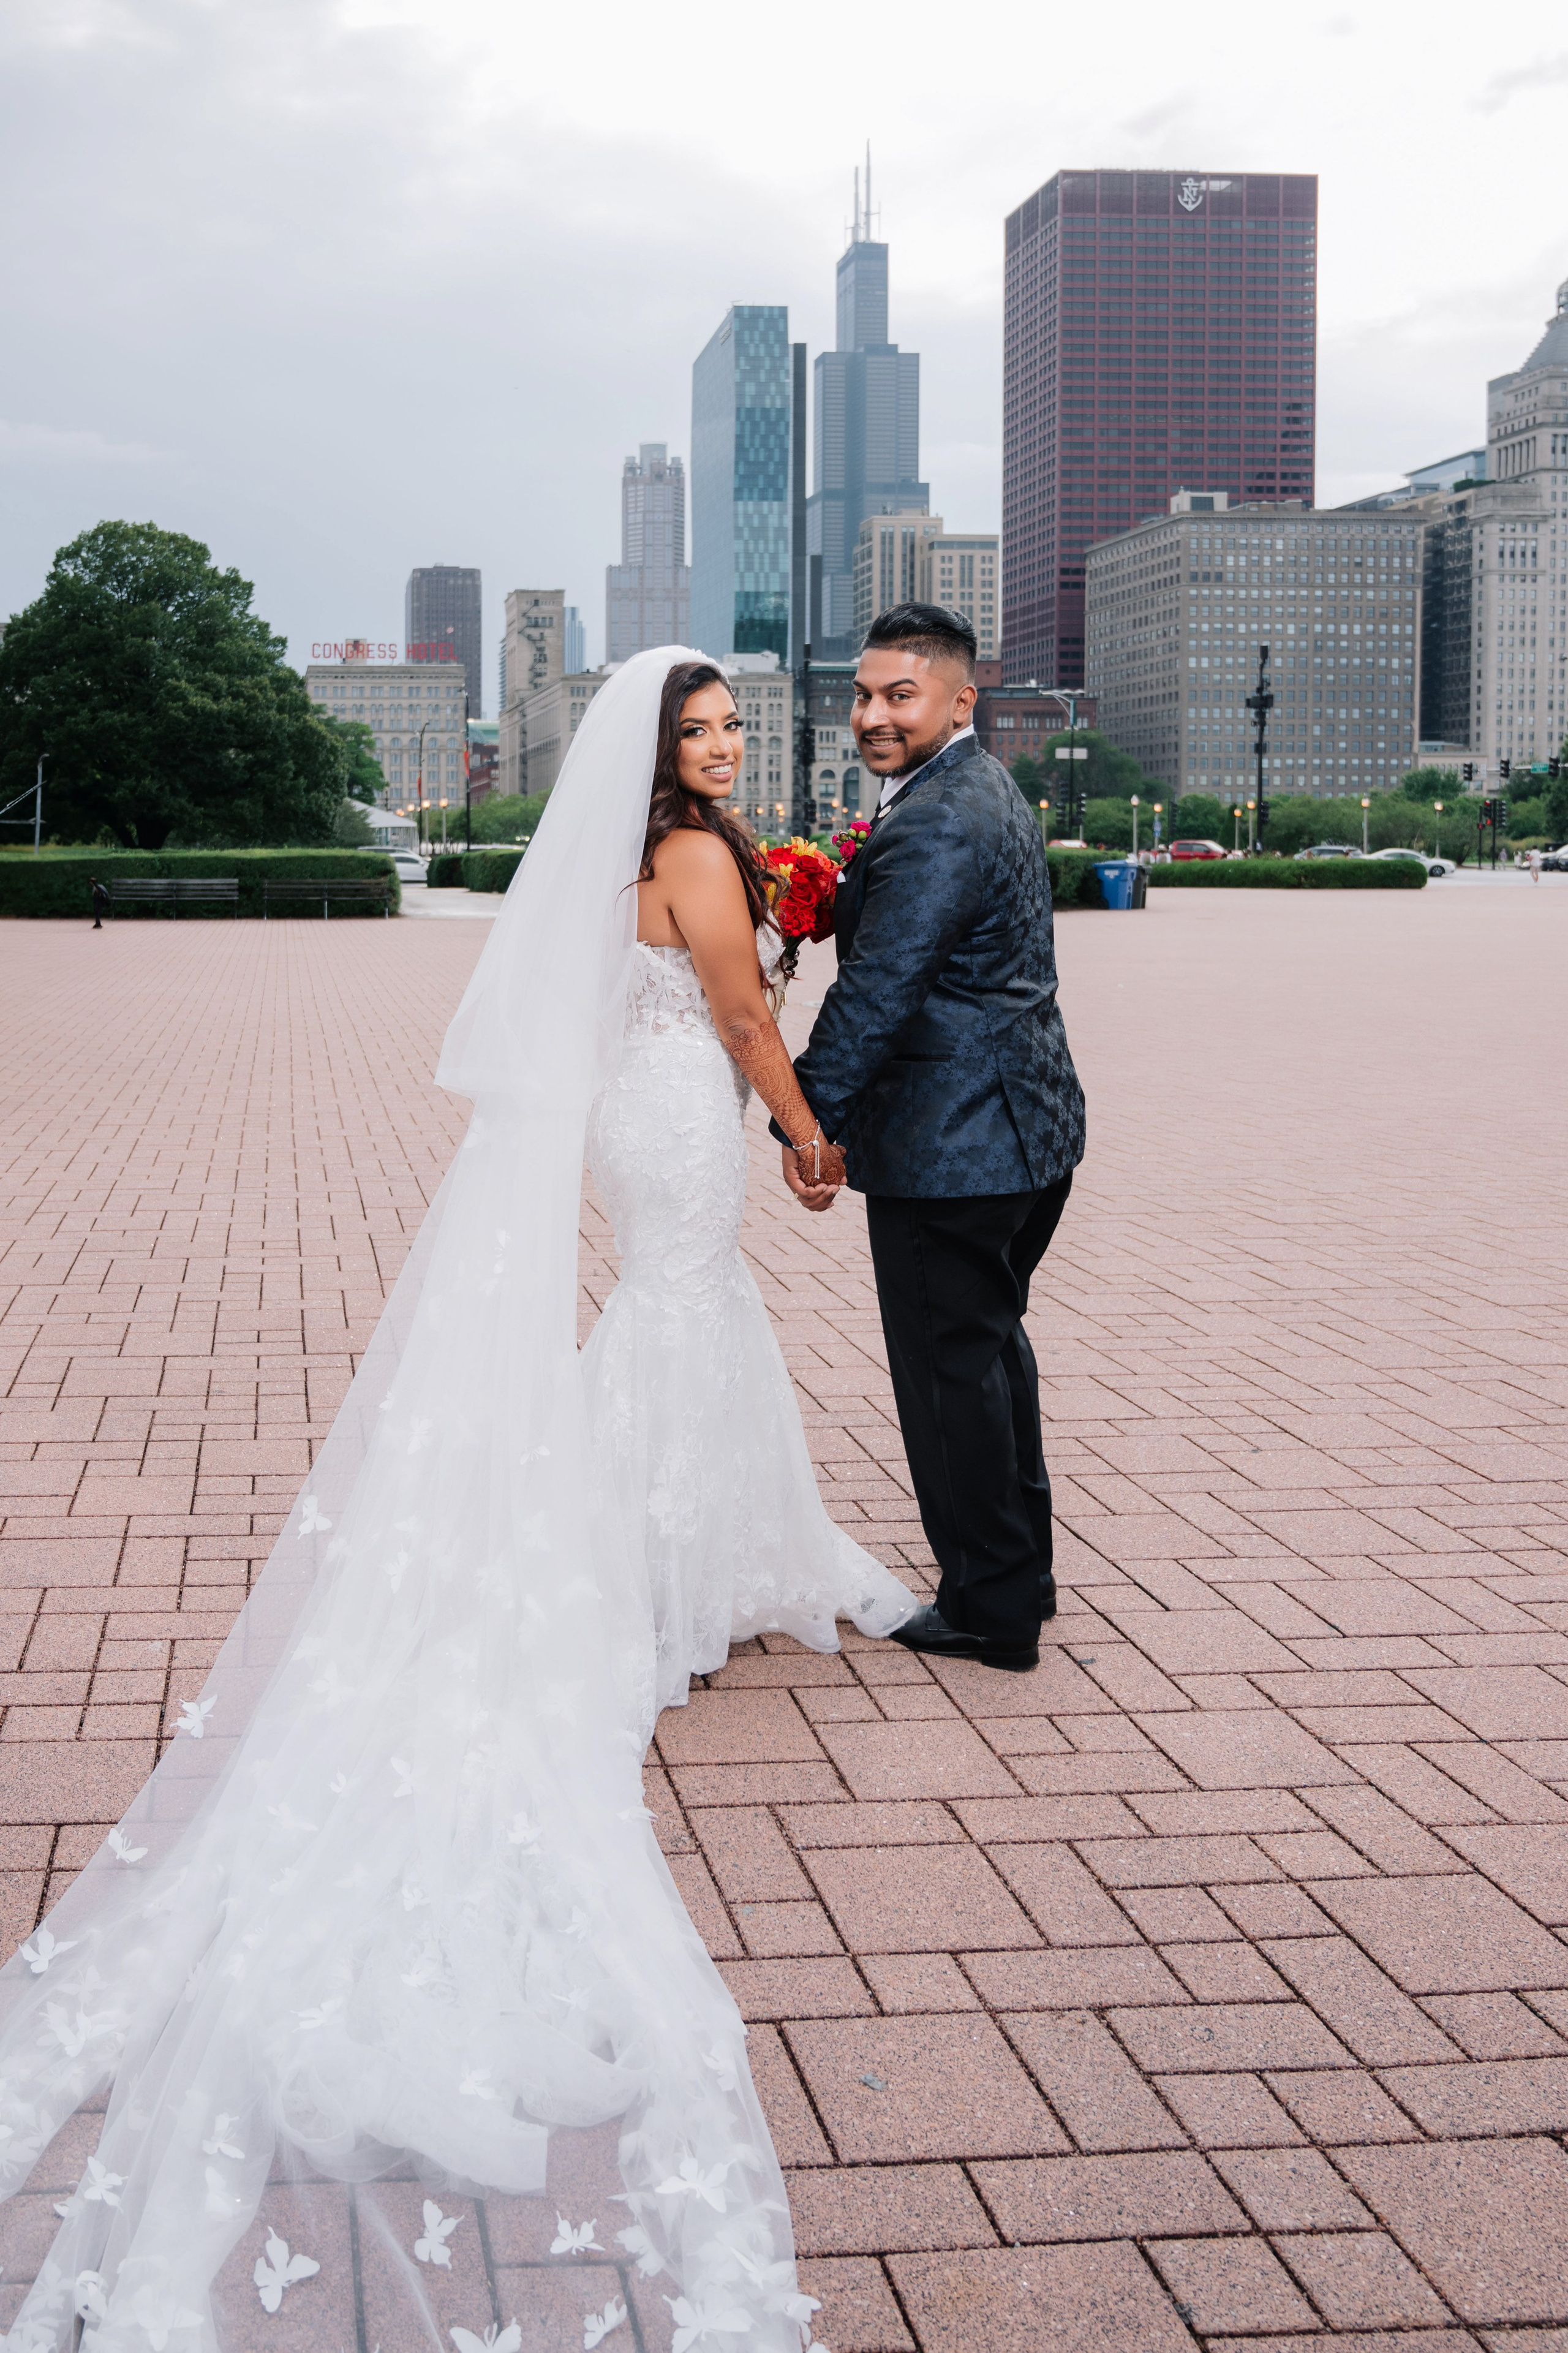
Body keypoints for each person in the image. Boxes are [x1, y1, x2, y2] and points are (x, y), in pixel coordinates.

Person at [0, 648, 898, 2353]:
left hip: (639, 1120)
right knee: (685, 1307)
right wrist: (803, 1129)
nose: (723, 748)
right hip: (689, 1117)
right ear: (657, 751)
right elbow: (739, 1011)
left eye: (729, 728)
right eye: (699, 730)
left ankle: (689, 1554)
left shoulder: (651, 860)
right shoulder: (703, 864)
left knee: (676, 1311)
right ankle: (659, 1565)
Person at [774, 604, 1086, 1674]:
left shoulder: (937, 819)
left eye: (899, 695)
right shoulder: (981, 785)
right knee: (992, 1352)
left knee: (951, 1369)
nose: (873, 714)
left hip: (955, 1146)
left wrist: (803, 1119)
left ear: (960, 700)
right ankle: (1021, 1575)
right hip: (1026, 1128)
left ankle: (989, 1611)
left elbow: (878, 993)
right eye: (863, 695)